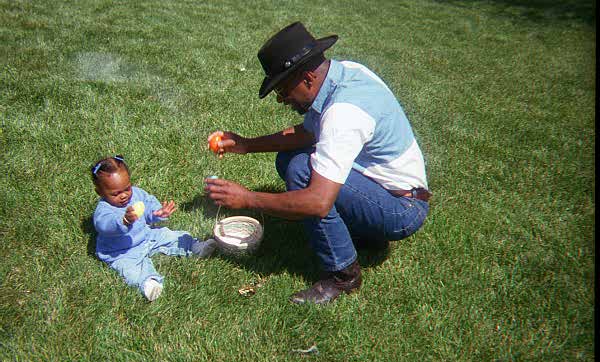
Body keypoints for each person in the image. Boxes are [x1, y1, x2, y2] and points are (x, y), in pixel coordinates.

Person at [204, 22, 430, 305]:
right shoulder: (345, 74)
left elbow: (317, 202)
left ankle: (343, 275)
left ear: (308, 78)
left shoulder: (344, 113)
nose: (282, 100)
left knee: (301, 170)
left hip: (402, 209)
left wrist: (247, 198)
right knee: (291, 159)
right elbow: (309, 133)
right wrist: (247, 144)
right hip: (387, 190)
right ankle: (366, 233)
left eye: (283, 90)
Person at [92, 155, 217, 301]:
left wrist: (158, 212)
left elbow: (149, 204)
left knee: (169, 235)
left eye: (127, 188)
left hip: (146, 236)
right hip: (121, 252)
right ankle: (148, 284)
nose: (124, 195)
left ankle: (195, 246)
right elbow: (105, 226)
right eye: (116, 193)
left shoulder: (137, 194)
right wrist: (124, 221)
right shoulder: (104, 210)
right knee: (131, 269)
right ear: (100, 192)